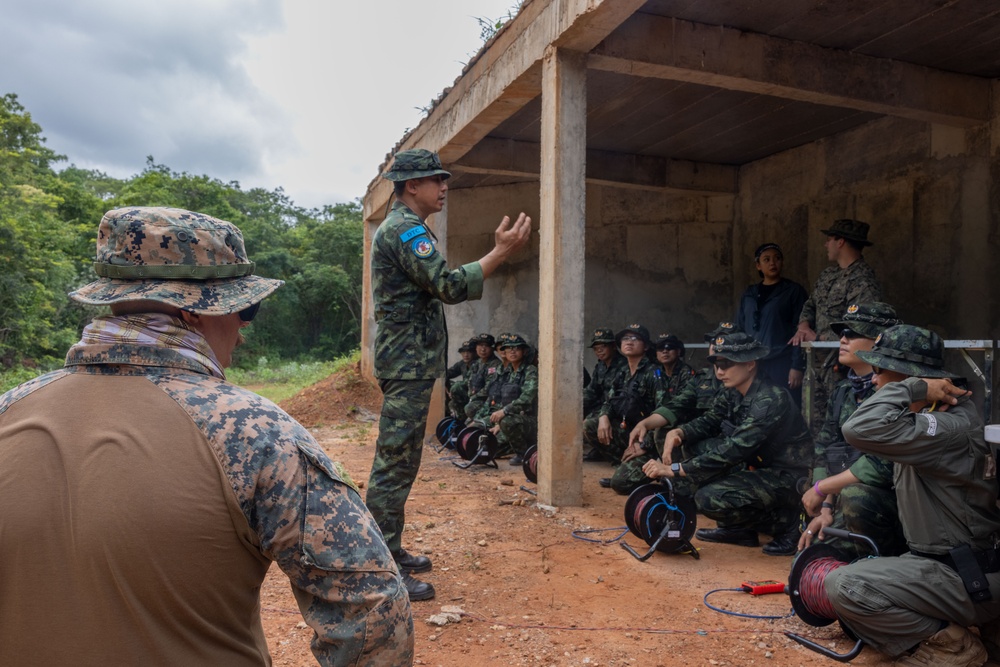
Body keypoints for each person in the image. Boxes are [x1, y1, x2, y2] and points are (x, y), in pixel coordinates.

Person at [0, 207, 413, 666]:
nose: (243, 330)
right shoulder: (255, 431)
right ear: (192, 312)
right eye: (245, 309)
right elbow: (372, 607)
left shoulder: (8, 410)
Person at [370, 148, 531, 602]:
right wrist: (500, 251)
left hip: (408, 361)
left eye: (444, 179)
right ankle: (380, 565)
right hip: (406, 363)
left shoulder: (405, 228)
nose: (443, 187)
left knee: (402, 461)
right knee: (394, 463)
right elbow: (450, 286)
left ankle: (390, 551)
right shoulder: (406, 231)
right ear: (409, 186)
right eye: (434, 180)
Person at [823, 325, 1000, 666]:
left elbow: (857, 429)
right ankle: (953, 632)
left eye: (880, 371)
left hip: (968, 577)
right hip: (951, 567)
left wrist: (914, 386)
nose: (873, 381)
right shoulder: (930, 418)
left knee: (845, 586)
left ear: (914, 378)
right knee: (854, 613)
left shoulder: (947, 427)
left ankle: (956, 650)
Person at [643, 331, 813, 556]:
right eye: (716, 364)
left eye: (727, 364)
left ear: (750, 364)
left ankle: (789, 524)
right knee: (692, 450)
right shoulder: (734, 391)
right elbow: (711, 419)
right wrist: (679, 432)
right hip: (758, 466)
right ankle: (739, 529)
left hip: (787, 475)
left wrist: (675, 469)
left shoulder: (770, 398)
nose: (720, 371)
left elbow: (734, 449)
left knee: (708, 497)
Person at [797, 302, 906, 558]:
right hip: (844, 500)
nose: (843, 339)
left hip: (891, 508)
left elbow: (882, 465)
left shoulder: (899, 392)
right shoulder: (844, 391)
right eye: (842, 333)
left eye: (853, 333)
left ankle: (887, 565)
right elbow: (825, 449)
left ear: (880, 341)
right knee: (807, 562)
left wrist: (822, 488)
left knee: (857, 497)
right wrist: (825, 509)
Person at [613, 325, 736, 495]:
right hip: (692, 440)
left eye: (670, 347)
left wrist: (677, 434)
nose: (718, 347)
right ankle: (676, 479)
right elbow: (676, 405)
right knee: (621, 482)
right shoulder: (700, 379)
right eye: (714, 342)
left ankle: (682, 481)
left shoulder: (745, 385)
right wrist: (645, 424)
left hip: (724, 448)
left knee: (705, 498)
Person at [789, 219, 882, 429]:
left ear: (841, 242)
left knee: (841, 421)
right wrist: (803, 326)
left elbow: (863, 329)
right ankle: (818, 462)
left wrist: (819, 338)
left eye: (829, 239)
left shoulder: (863, 281)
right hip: (815, 364)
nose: (825, 245)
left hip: (842, 367)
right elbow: (810, 304)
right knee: (812, 420)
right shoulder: (827, 275)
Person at [584, 324, 660, 486]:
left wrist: (645, 444)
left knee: (620, 484)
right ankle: (622, 464)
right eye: (625, 338)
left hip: (650, 439)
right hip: (630, 431)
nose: (629, 342)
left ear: (646, 346)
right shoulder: (623, 372)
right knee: (592, 424)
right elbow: (609, 401)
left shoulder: (653, 373)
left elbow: (663, 416)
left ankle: (653, 468)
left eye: (635, 338)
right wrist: (604, 416)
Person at [735, 242, 807, 405]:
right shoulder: (749, 294)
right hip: (752, 362)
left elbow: (801, 331)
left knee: (784, 404)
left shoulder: (793, 291)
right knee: (753, 406)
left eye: (777, 258)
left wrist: (797, 366)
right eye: (766, 259)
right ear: (758, 266)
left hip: (782, 361)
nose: (772, 263)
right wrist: (737, 361)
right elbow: (738, 328)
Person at [470, 334, 538, 466]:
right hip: (508, 418)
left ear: (524, 352)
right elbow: (498, 399)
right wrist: (492, 421)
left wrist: (503, 414)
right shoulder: (507, 373)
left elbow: (527, 398)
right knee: (478, 429)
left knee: (493, 446)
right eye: (509, 349)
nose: (512, 351)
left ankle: (523, 453)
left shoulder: (531, 371)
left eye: (517, 348)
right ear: (504, 353)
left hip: (527, 421)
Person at [582, 326, 626, 461]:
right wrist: (575, 405)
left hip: (617, 411)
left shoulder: (624, 365)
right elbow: (591, 390)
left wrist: (602, 414)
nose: (599, 351)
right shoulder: (600, 366)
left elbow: (619, 398)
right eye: (596, 348)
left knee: (588, 424)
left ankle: (619, 458)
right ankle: (599, 448)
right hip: (601, 407)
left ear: (613, 346)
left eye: (603, 346)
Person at [464, 332, 503, 423]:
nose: (483, 349)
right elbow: (469, 380)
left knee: (469, 408)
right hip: (475, 396)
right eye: (480, 345)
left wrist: (473, 397)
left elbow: (488, 388)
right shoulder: (477, 363)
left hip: (487, 399)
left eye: (486, 346)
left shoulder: (495, 365)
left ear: (492, 349)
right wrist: (471, 395)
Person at [446, 339, 475, 420]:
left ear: (474, 353)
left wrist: (453, 390)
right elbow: (448, 373)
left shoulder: (477, 364)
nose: (466, 355)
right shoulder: (462, 363)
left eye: (469, 352)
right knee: (452, 403)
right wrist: (447, 388)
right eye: (463, 352)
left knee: (456, 387)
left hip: (474, 394)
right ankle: (458, 422)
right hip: (464, 394)